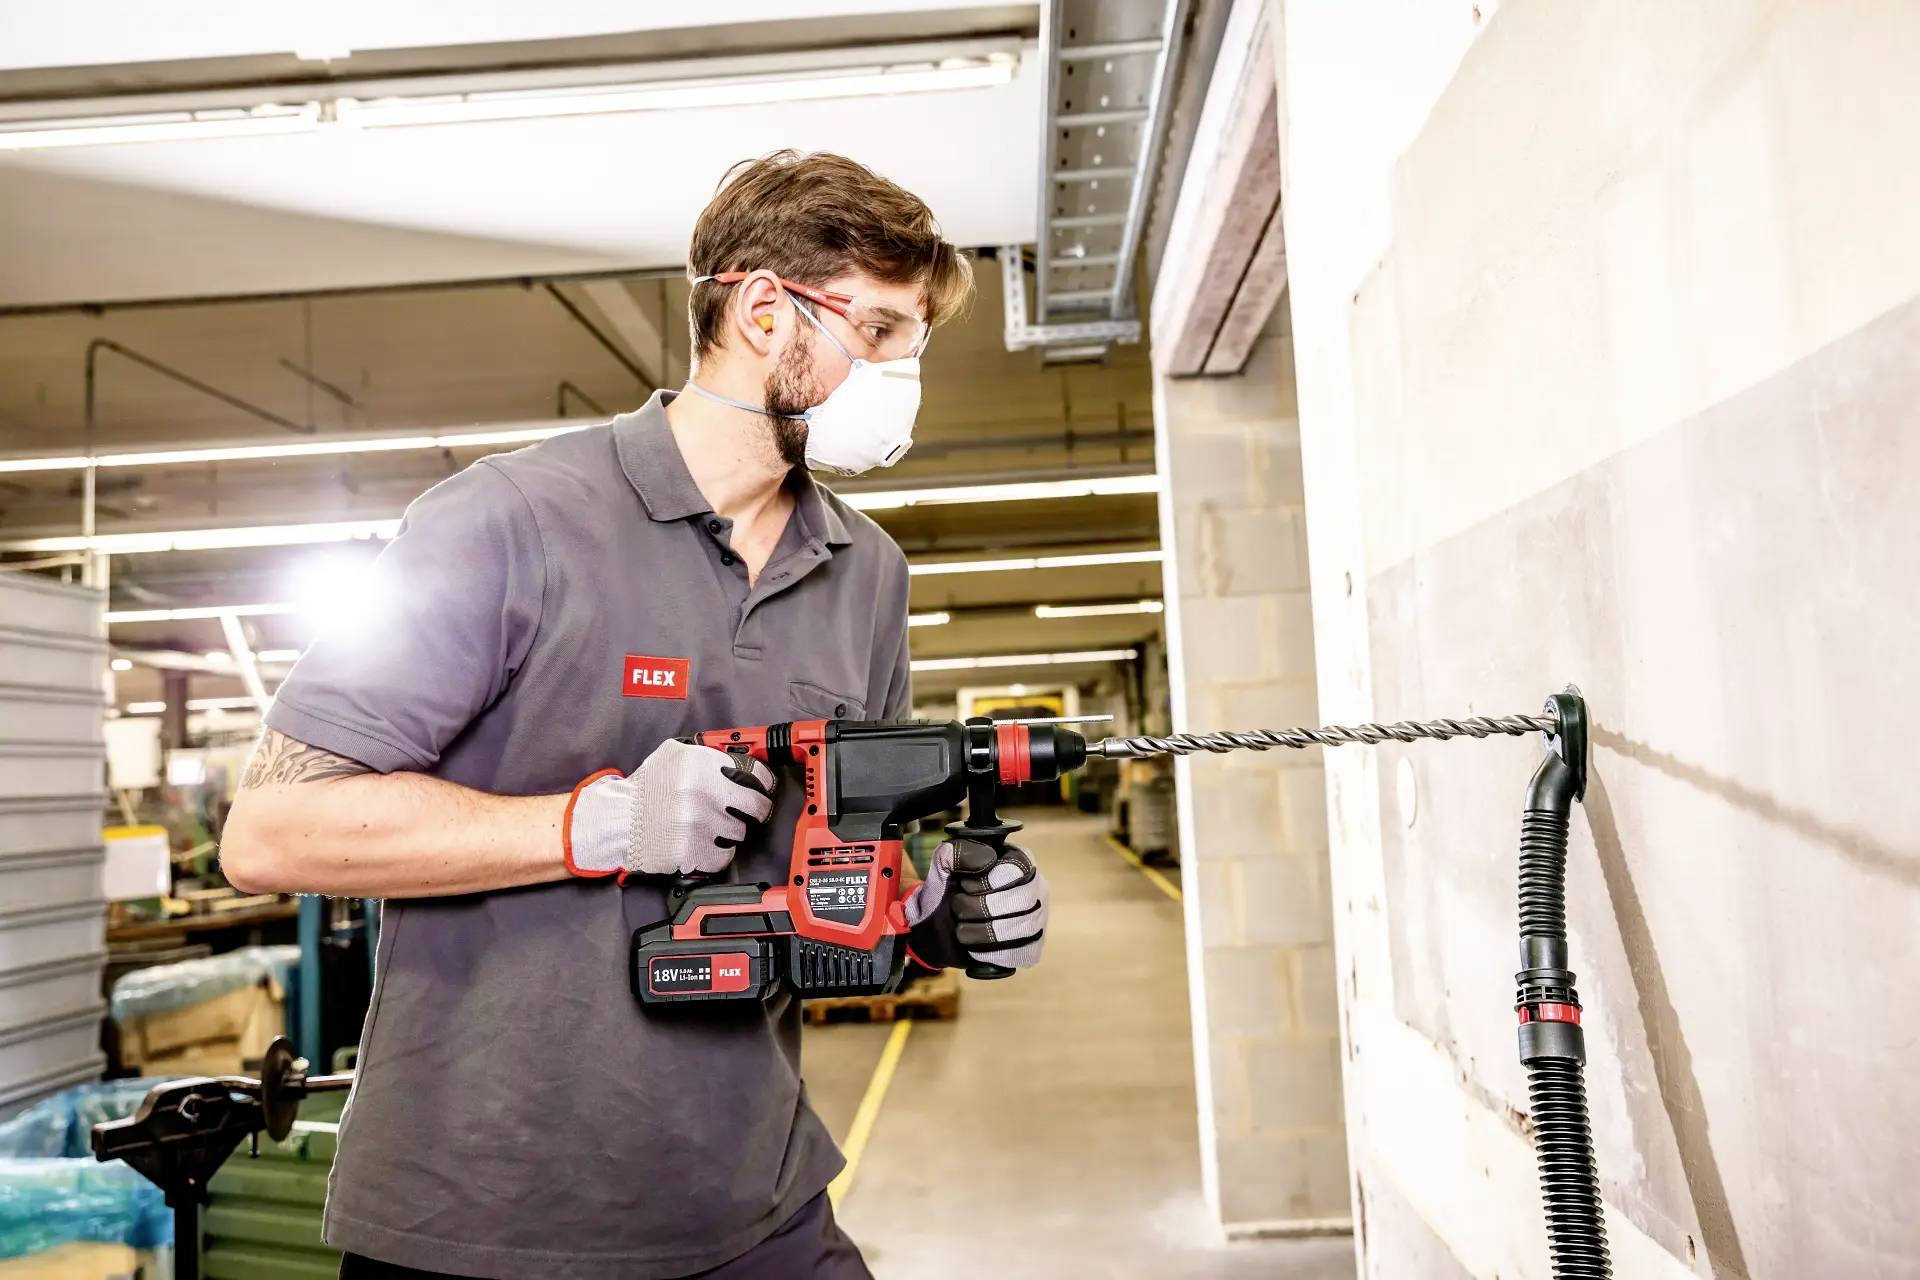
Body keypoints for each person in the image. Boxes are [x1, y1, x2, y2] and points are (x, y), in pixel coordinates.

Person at [220, 150, 1052, 1280]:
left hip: (754, 1198)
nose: (902, 372)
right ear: (765, 310)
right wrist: (596, 824)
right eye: (880, 330)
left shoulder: (869, 571)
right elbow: (272, 833)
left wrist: (928, 917)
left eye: (913, 343)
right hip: (486, 1216)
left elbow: (843, 862)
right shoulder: (504, 520)